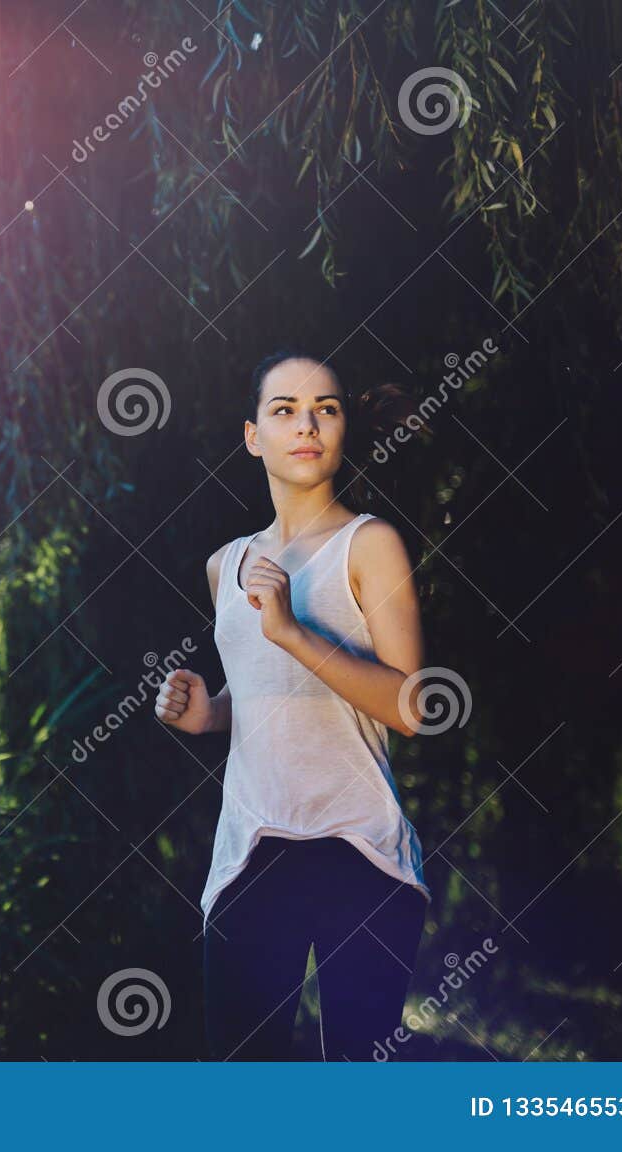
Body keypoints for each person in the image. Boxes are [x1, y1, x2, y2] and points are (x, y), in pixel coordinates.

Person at [153, 351, 432, 1061]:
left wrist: (292, 631)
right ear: (254, 436)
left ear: (342, 431)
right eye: (284, 410)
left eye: (325, 409)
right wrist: (207, 714)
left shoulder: (370, 544)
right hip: (252, 850)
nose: (306, 425)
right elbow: (259, 695)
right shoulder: (227, 565)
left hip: (362, 853)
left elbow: (410, 706)